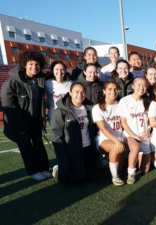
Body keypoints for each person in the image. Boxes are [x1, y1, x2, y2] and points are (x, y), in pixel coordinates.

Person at [1, 49, 50, 180]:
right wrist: (20, 125)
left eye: (37, 64)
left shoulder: (39, 79)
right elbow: (9, 106)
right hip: (20, 121)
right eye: (31, 64)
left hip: (36, 119)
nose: (35, 67)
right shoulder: (11, 83)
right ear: (24, 64)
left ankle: (44, 168)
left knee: (39, 144)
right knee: (26, 145)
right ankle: (33, 171)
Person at [51, 82, 97, 184]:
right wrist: (61, 153)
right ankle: (58, 170)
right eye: (76, 92)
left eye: (82, 92)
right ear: (70, 93)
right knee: (71, 182)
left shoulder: (89, 108)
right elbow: (56, 134)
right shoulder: (60, 110)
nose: (80, 95)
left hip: (87, 147)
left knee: (90, 178)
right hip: (72, 149)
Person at [91, 81, 126, 185]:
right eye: (110, 89)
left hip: (119, 137)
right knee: (115, 147)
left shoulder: (120, 105)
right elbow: (103, 129)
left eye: (115, 89)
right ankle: (115, 177)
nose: (113, 92)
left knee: (120, 168)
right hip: (104, 139)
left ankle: (105, 163)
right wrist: (117, 141)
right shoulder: (97, 108)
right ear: (104, 91)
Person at [118, 77, 152, 175]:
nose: (141, 88)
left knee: (144, 170)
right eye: (138, 85)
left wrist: (149, 128)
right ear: (133, 86)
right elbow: (123, 122)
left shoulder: (148, 101)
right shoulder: (125, 101)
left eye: (144, 86)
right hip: (130, 135)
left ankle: (136, 159)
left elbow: (150, 119)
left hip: (144, 136)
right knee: (135, 147)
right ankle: (131, 174)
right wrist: (134, 136)